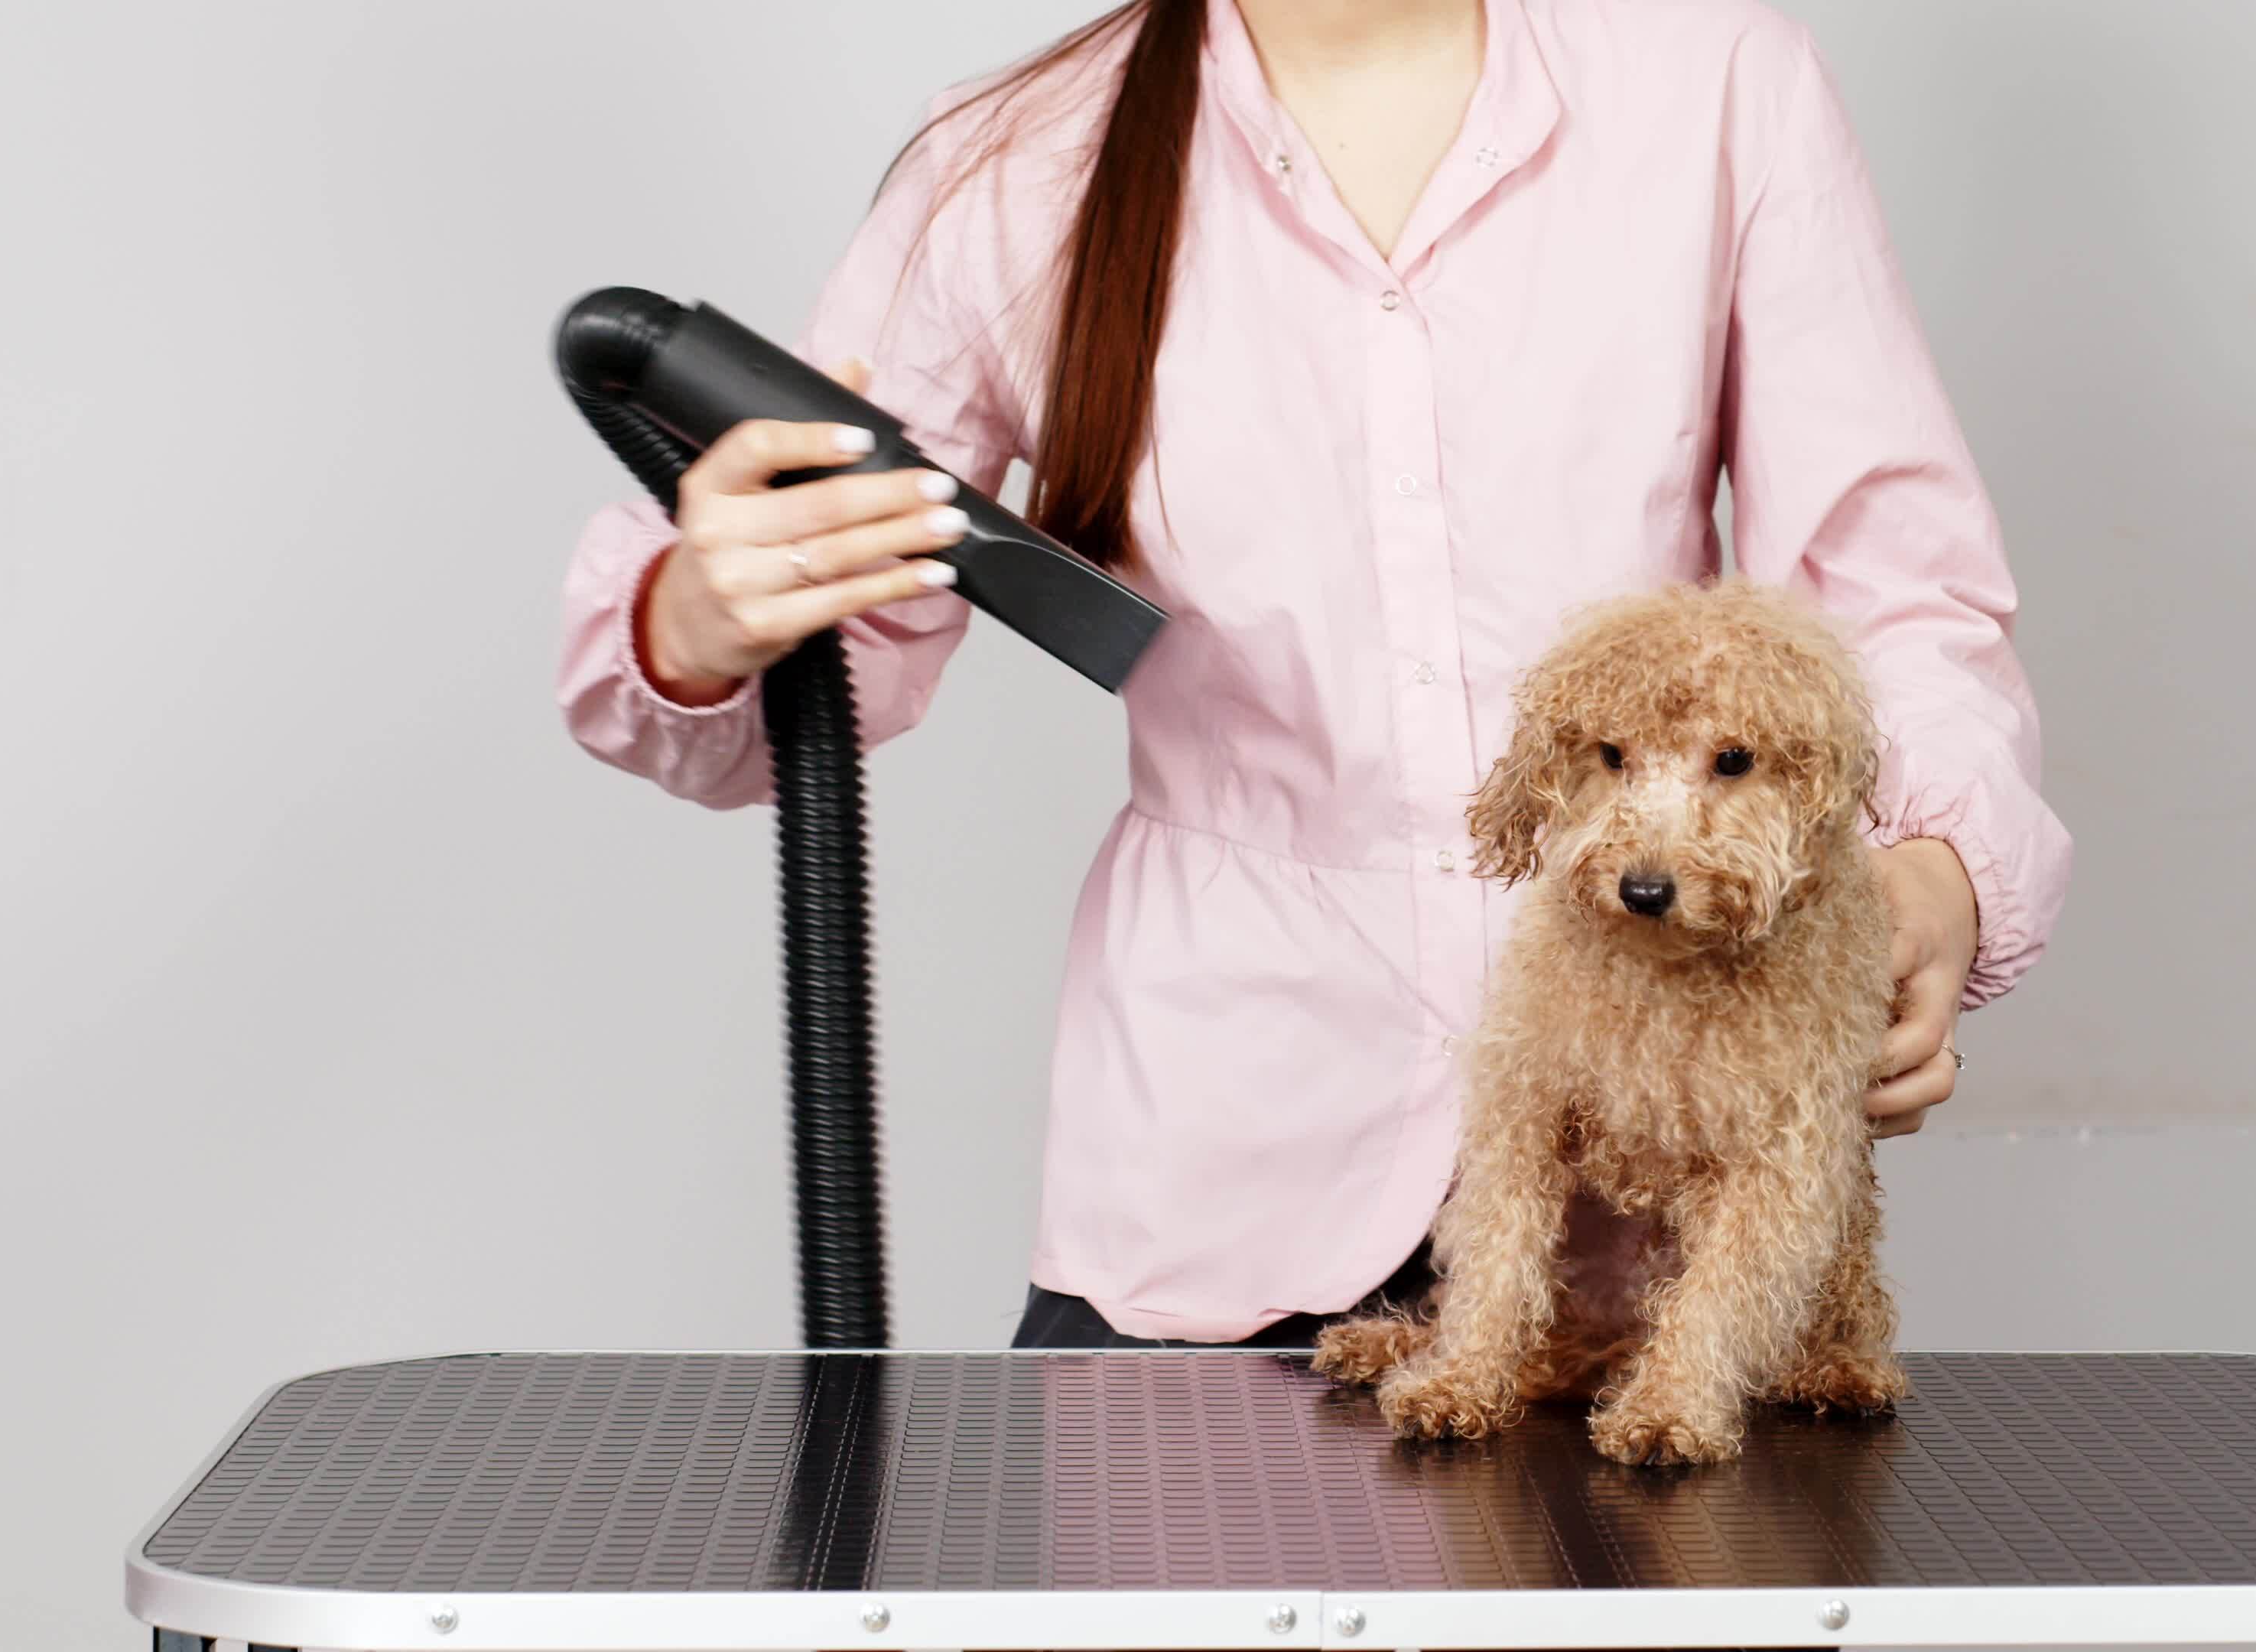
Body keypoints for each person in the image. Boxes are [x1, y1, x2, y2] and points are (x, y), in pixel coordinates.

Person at [559, 0, 2070, 1348]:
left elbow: (1896, 597)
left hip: (1657, 1199)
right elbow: (830, 664)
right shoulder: (1016, 160)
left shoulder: (1716, 81)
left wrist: (1936, 877)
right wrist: (698, 618)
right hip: (1222, 1177)